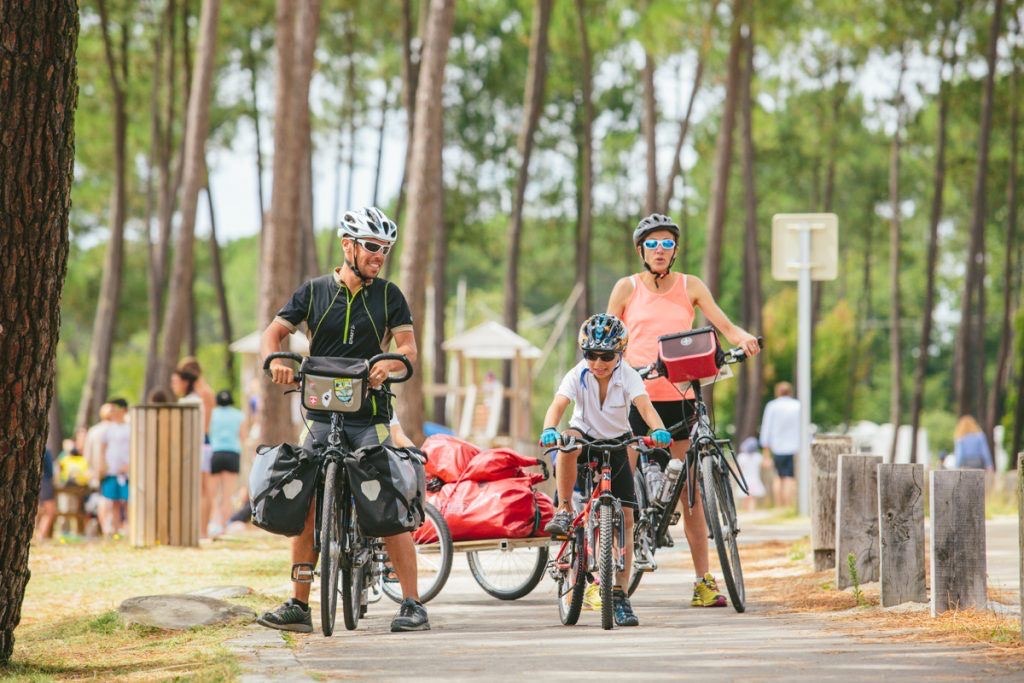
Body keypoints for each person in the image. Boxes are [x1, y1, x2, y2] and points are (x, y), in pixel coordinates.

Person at [259, 206, 427, 634]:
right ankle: (299, 604)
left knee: (388, 502)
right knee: (305, 503)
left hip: (371, 415)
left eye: (385, 249)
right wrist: (274, 362)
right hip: (318, 413)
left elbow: (408, 349)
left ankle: (412, 603)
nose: (379, 256)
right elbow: (273, 333)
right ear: (347, 245)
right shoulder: (314, 291)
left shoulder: (390, 296)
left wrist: (388, 367)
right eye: (372, 247)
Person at [607, 212, 761, 608]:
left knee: (691, 493)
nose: (660, 250)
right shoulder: (626, 288)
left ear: (675, 250)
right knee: (622, 493)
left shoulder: (690, 285)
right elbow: (608, 339)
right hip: (637, 399)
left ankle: (703, 581)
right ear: (642, 250)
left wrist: (743, 338)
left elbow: (725, 325)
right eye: (653, 244)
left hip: (681, 395)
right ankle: (607, 580)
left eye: (667, 243)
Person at [540, 313, 672, 627]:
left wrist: (659, 430)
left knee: (626, 517)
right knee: (567, 442)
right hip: (584, 435)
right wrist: (548, 427)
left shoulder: (628, 375)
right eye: (591, 354)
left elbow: (645, 408)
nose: (598, 362)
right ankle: (563, 509)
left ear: (620, 354)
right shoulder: (577, 374)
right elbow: (558, 405)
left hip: (617, 440)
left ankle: (620, 596)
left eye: (607, 356)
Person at [178, 357, 217, 538]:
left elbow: (206, 422)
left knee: (202, 488)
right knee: (204, 488)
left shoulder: (200, 394)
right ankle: (202, 528)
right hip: (205, 440)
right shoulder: (206, 391)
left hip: (200, 441)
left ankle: (202, 530)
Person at [208, 389, 247, 537]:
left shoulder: (212, 414)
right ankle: (224, 526)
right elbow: (242, 437)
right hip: (232, 454)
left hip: (216, 453)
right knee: (227, 494)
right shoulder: (238, 415)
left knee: (213, 493)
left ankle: (213, 523)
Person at [759, 381, 800, 510]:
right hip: (794, 447)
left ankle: (779, 506)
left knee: (778, 477)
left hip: (777, 447)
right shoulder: (798, 406)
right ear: (790, 392)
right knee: (790, 478)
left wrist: (766, 454)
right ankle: (789, 506)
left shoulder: (772, 406)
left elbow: (766, 428)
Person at [97, 397, 131, 537]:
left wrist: (130, 465)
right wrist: (102, 465)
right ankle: (115, 530)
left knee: (128, 501)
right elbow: (102, 448)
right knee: (113, 502)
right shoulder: (108, 429)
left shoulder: (130, 428)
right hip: (111, 471)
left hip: (126, 472)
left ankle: (129, 529)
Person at [735, 436, 767, 512]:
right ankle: (751, 510)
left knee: (746, 497)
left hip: (744, 479)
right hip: (754, 479)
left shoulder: (741, 457)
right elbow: (765, 464)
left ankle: (745, 511)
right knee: (752, 497)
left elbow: (738, 470)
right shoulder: (758, 457)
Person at [35, 448, 57, 540]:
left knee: (40, 511)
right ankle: (41, 535)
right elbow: (50, 471)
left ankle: (38, 535)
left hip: (39, 481)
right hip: (45, 482)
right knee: (50, 511)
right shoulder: (46, 451)